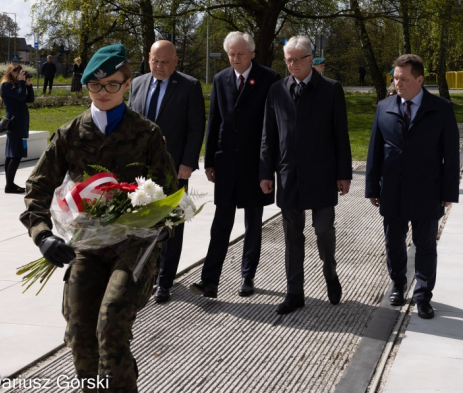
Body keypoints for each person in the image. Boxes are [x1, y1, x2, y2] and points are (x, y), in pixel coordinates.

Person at [19, 44, 178, 392]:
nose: (102, 92)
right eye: (95, 84)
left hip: (133, 247)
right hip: (87, 247)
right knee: (79, 334)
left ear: (127, 84)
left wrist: (158, 226)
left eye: (112, 84)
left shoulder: (147, 134)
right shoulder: (70, 134)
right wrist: (43, 235)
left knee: (110, 327)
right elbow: (37, 189)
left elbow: (171, 199)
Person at [259, 35, 352, 315]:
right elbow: (269, 136)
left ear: (311, 59)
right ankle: (294, 293)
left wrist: (343, 173)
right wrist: (266, 172)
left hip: (322, 174)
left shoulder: (331, 90)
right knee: (292, 236)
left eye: (297, 59)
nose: (292, 64)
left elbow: (341, 135)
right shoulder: (277, 90)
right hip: (289, 175)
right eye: (288, 59)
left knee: (323, 231)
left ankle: (330, 273)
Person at [365, 54, 460, 320]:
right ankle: (397, 285)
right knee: (394, 242)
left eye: (404, 79)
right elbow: (374, 150)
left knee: (426, 244)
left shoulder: (441, 108)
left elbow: (451, 155)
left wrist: (448, 193)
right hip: (392, 189)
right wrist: (372, 186)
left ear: (420, 79)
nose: (398, 83)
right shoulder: (384, 107)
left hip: (427, 188)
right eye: (395, 78)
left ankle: (423, 295)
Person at [189, 32, 280, 299]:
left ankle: (247, 276)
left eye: (240, 54)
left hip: (256, 165)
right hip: (226, 162)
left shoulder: (270, 79)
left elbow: (272, 127)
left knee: (253, 223)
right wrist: (209, 159)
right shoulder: (220, 79)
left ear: (252, 53)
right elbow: (214, 120)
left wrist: (268, 167)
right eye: (231, 54)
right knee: (221, 224)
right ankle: (209, 281)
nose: (236, 59)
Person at [128, 40, 205, 303]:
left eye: (165, 62)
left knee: (171, 224)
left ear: (176, 61)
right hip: (139, 170)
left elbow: (196, 129)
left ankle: (164, 281)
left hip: (173, 168)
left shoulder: (189, 86)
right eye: (155, 61)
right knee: (142, 222)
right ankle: (144, 275)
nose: (159, 67)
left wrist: (188, 163)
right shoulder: (137, 84)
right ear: (148, 58)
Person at [0, 63, 35, 194]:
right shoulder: (6, 85)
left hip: (20, 123)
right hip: (14, 124)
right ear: (10, 72)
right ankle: (9, 185)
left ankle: (9, 185)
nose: (19, 74)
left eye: (20, 71)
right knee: (15, 155)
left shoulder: (16, 85)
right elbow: (20, 96)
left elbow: (30, 99)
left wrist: (28, 85)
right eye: (16, 72)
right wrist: (20, 83)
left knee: (12, 155)